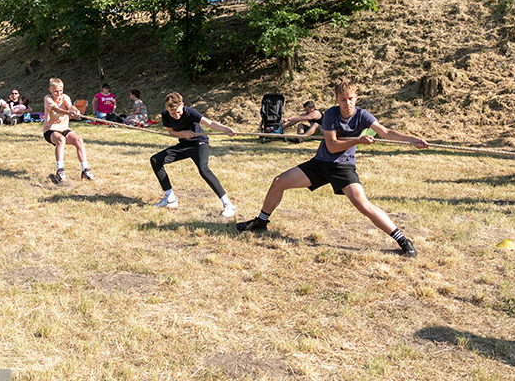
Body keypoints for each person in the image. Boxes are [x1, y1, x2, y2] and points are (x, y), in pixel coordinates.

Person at [236, 80, 428, 257]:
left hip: (343, 167)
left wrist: (413, 140)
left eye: (351, 99)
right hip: (320, 163)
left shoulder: (363, 115)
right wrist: (358, 140)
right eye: (343, 99)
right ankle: (261, 222)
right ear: (337, 99)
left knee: (363, 205)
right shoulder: (330, 114)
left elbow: (386, 132)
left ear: (356, 98)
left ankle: (402, 240)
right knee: (278, 182)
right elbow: (332, 146)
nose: (347, 103)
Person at [150, 92, 237, 217]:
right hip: (184, 144)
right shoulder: (165, 114)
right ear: (166, 108)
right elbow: (171, 132)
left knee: (203, 169)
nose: (176, 115)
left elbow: (210, 124)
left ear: (182, 105)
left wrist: (226, 129)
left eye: (179, 112)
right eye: (172, 113)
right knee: (155, 160)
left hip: (199, 144)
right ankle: (170, 198)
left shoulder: (190, 112)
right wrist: (183, 133)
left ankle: (228, 204)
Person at [43, 78, 94, 183]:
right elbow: (56, 109)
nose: (59, 93)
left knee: (79, 140)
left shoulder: (65, 97)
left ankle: (85, 170)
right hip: (50, 130)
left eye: (60, 91)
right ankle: (60, 171)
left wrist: (75, 111)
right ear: (50, 90)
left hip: (63, 129)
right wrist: (68, 113)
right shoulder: (48, 98)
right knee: (61, 140)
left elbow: (70, 106)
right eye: (56, 91)